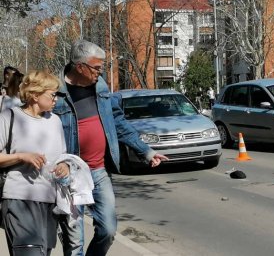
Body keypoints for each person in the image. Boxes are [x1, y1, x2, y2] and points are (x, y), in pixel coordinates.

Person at [54, 40, 168, 256]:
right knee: (74, 242)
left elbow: (118, 122)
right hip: (71, 176)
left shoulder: (100, 86)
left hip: (99, 171)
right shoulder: (55, 90)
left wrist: (146, 151)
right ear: (80, 67)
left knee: (108, 230)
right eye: (97, 68)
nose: (101, 72)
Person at [0, 71, 70, 255]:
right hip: (20, 198)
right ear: (35, 95)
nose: (56, 99)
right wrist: (22, 156)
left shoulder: (55, 121)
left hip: (49, 201)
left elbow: (62, 156)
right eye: (53, 94)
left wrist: (65, 166)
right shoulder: (9, 117)